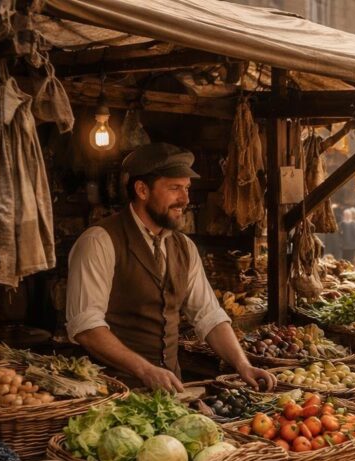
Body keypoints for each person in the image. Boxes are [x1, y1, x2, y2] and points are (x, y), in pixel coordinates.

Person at [66, 143, 274, 392]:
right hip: (110, 393)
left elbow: (209, 316)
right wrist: (145, 370)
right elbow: (86, 327)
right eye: (174, 188)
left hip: (169, 392)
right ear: (142, 189)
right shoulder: (99, 241)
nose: (185, 199)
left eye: (186, 188)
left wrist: (243, 365)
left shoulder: (184, 246)